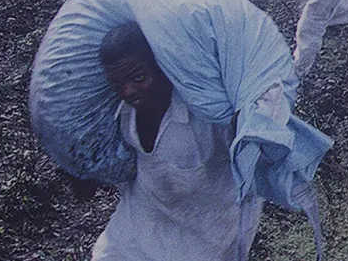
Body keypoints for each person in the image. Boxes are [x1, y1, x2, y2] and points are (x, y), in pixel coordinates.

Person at [80, 22, 263, 260]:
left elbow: (255, 149)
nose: (128, 91)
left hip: (206, 236)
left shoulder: (207, 112)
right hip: (142, 221)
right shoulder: (122, 113)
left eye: (138, 77)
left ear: (162, 65)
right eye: (118, 84)